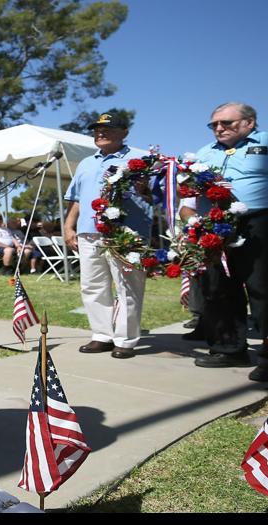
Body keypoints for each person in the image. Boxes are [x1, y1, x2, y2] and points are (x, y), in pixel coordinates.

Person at [190, 102, 268, 384]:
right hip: (216, 226)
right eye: (214, 124)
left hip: (265, 222)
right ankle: (229, 347)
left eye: (227, 123)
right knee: (218, 288)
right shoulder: (203, 153)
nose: (219, 128)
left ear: (249, 123)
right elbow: (188, 191)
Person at [62, 110, 152, 359]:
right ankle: (102, 335)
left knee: (128, 287)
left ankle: (125, 339)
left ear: (124, 132)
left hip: (126, 232)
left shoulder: (142, 158)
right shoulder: (86, 162)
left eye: (108, 129)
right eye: (97, 129)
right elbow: (76, 199)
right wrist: (69, 227)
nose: (100, 133)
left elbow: (154, 195)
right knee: (92, 286)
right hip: (89, 232)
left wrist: (144, 188)